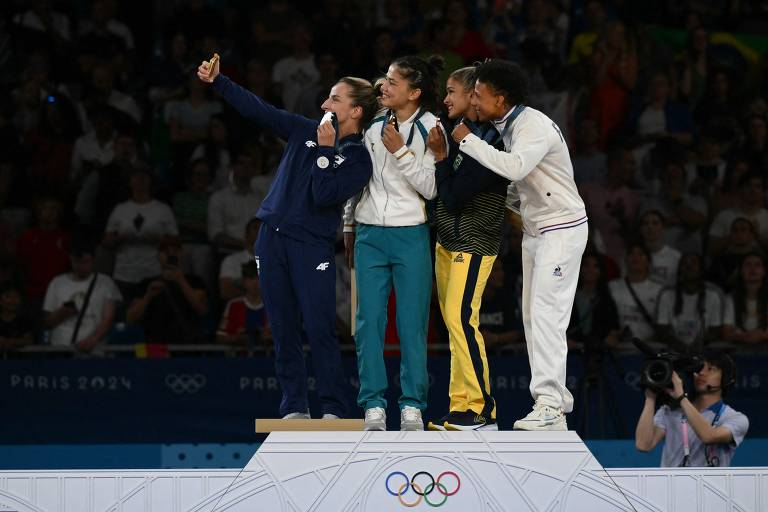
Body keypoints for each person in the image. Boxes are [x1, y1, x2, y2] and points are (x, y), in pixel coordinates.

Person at [199, 54, 376, 420]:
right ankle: (294, 405)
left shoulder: (359, 159)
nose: (325, 104)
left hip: (311, 245)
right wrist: (220, 82)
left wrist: (326, 151)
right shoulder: (303, 130)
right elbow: (260, 110)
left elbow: (324, 196)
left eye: (335, 99)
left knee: (319, 326)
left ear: (356, 111)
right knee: (281, 326)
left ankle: (333, 406)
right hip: (271, 237)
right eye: (327, 97)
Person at [452, 59, 588, 431]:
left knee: (547, 316)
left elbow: (513, 167)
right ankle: (553, 404)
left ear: (501, 98)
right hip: (537, 231)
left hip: (561, 229)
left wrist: (466, 140)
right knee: (533, 317)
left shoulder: (532, 125)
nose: (474, 101)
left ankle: (550, 406)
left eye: (479, 95)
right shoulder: (506, 124)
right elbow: (518, 181)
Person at [343, 55, 441, 431]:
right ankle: (373, 404)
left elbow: (431, 189)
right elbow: (357, 178)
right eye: (384, 79)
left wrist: (401, 150)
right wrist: (349, 223)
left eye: (392, 82)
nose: (382, 86)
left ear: (413, 93)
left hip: (411, 234)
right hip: (369, 233)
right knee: (368, 321)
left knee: (411, 323)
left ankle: (412, 404)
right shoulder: (371, 125)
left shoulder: (433, 128)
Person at [425, 66, 510, 431]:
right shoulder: (462, 134)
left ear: (473, 94)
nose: (446, 99)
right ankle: (460, 405)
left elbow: (455, 197)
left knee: (462, 320)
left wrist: (443, 158)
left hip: (474, 243)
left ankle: (481, 408)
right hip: (448, 242)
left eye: (452, 91)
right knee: (454, 325)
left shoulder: (490, 141)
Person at [635, 351, 749, 467]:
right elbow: (643, 445)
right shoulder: (669, 411)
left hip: (710, 485)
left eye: (710, 369)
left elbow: (709, 436)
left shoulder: (735, 418)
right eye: (699, 369)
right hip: (671, 484)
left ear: (726, 378)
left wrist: (681, 398)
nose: (701, 373)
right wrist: (650, 398)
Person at [42, 239, 122, 352]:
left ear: (93, 260)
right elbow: (47, 323)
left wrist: (93, 340)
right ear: (71, 259)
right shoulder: (57, 283)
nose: (81, 266)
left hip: (94, 349)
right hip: (62, 347)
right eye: (77, 262)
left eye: (86, 262)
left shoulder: (105, 282)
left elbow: (108, 319)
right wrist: (61, 313)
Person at [125, 237, 208, 344]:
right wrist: (148, 296)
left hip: (188, 344)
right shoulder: (146, 283)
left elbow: (202, 310)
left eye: (175, 251)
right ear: (158, 256)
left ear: (182, 254)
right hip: (155, 344)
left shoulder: (195, 281)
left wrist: (181, 281)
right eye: (165, 252)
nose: (170, 255)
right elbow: (131, 318)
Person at [216, 260, 270, 348]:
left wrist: (270, 338)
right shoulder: (234, 305)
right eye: (251, 278)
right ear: (244, 281)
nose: (255, 283)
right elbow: (220, 337)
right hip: (240, 360)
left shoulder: (274, 306)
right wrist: (236, 338)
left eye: (259, 278)